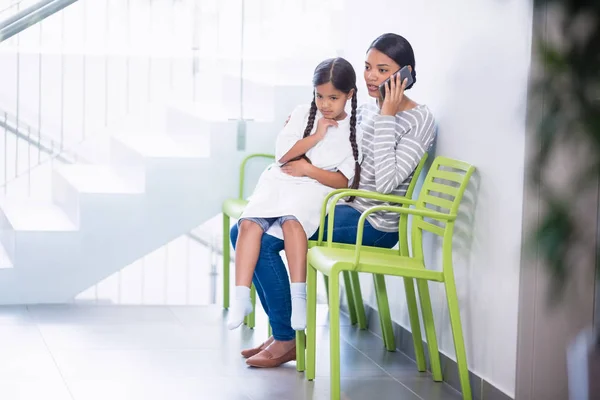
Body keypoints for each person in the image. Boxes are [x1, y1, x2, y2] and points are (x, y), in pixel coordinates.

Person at [230, 33, 437, 368]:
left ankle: (286, 339)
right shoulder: (367, 111)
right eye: (368, 67)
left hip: (374, 222)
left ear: (406, 75)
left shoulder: (419, 119)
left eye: (383, 70)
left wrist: (387, 114)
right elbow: (338, 148)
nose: (371, 76)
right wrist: (300, 131)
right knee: (242, 230)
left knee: (262, 240)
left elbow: (384, 184)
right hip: (345, 205)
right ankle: (284, 332)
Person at [227, 57, 362, 337]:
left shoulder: (354, 130)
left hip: (314, 187)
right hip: (280, 179)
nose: (325, 104)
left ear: (349, 95)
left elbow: (342, 180)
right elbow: (282, 155)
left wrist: (307, 169)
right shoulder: (302, 113)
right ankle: (240, 298)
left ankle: (298, 298)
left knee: (292, 222)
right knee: (248, 224)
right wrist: (315, 136)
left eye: (333, 98)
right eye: (319, 96)